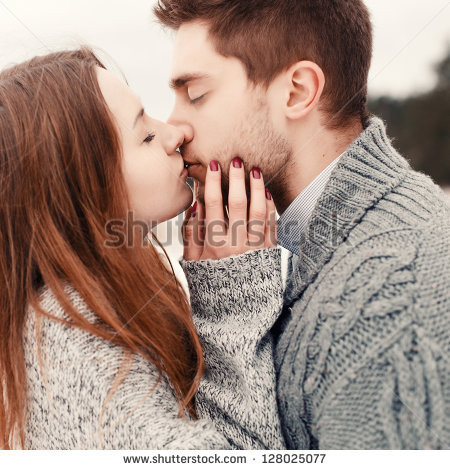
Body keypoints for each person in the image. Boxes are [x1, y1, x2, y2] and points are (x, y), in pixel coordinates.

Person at [154, 0, 450, 449]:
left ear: (297, 92)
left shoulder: (387, 305)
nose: (174, 129)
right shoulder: (328, 247)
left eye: (195, 94)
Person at [0, 47, 286, 449]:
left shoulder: (73, 312)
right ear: (81, 189)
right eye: (146, 135)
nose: (175, 133)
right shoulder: (71, 346)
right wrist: (232, 298)